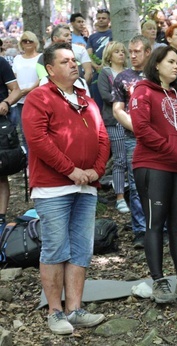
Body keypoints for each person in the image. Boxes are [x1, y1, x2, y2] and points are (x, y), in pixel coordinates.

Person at [22, 42, 110, 335]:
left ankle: (75, 309)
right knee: (55, 248)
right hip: (53, 188)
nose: (74, 64)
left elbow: (101, 135)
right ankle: (55, 311)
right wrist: (70, 170)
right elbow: (37, 139)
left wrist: (96, 170)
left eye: (74, 60)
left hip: (85, 187)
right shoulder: (39, 98)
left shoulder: (86, 98)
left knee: (81, 249)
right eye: (65, 61)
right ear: (50, 69)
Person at [129, 45, 177, 304]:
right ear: (156, 64)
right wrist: (172, 149)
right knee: (155, 223)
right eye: (170, 61)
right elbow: (142, 128)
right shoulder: (143, 91)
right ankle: (159, 281)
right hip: (153, 165)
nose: (176, 66)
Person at [112, 35, 151, 248]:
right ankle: (141, 230)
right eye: (131, 52)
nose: (133, 56)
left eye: (137, 51)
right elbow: (117, 110)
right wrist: (138, 129)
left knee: (160, 183)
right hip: (132, 137)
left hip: (160, 138)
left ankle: (160, 228)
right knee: (137, 185)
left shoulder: (159, 74)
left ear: (148, 52)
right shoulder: (123, 77)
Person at [97, 41, 130, 214]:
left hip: (132, 121)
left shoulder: (130, 73)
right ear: (109, 55)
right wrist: (125, 100)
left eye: (123, 51)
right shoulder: (105, 73)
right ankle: (119, 197)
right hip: (114, 121)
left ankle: (135, 193)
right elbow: (105, 96)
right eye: (117, 51)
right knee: (120, 160)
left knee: (133, 160)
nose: (121, 54)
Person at [0, 53, 22, 232]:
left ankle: (1, 218)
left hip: (1, 125)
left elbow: (16, 89)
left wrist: (6, 102)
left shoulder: (1, 62)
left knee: (1, 172)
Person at [11, 31, 42, 150]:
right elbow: (13, 76)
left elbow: (43, 76)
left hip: (37, 97)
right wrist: (16, 92)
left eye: (30, 40)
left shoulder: (41, 57)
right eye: (25, 41)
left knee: (38, 131)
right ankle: (28, 163)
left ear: (35, 43)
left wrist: (30, 89)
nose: (28, 43)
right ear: (21, 44)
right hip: (20, 99)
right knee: (24, 133)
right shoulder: (17, 58)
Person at [87, 9, 113, 111]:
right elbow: (89, 54)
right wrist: (96, 66)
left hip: (110, 70)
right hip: (97, 72)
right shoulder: (92, 37)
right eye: (99, 18)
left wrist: (106, 64)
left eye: (103, 18)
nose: (101, 20)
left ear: (109, 20)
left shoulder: (113, 34)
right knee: (97, 99)